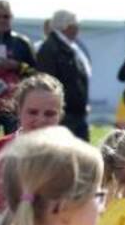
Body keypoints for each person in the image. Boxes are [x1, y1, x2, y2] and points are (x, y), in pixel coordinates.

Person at [0, 74, 65, 210]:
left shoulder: (72, 157)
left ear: (60, 115)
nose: (41, 120)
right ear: (19, 111)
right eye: (33, 112)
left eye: (50, 114)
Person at [34, 10, 91, 141]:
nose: (78, 29)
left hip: (75, 114)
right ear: (66, 26)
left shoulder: (69, 47)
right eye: (75, 25)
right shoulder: (49, 48)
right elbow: (47, 83)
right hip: (64, 115)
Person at [0, 0, 37, 137]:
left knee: (14, 146)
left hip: (13, 105)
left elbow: (35, 73)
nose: (2, 20)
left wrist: (17, 66)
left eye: (6, 16)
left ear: (11, 17)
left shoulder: (22, 42)